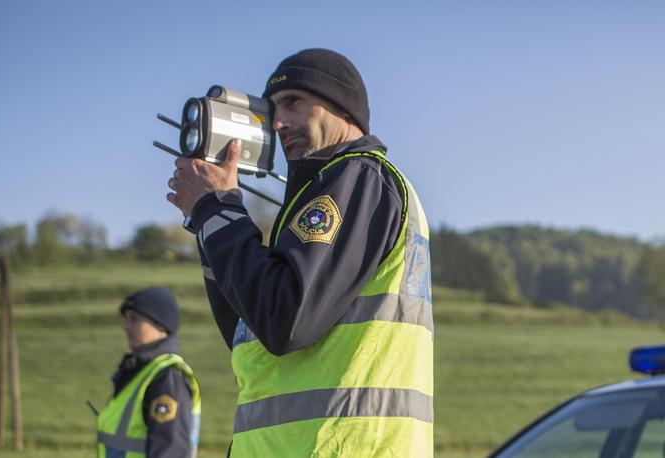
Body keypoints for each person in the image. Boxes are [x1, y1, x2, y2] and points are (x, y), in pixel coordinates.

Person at [167, 48, 433, 457]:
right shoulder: (325, 194)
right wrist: (211, 220)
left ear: (344, 110)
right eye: (272, 108)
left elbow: (285, 318)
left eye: (294, 102)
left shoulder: (358, 179)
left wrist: (216, 208)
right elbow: (248, 328)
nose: (278, 122)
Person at [97, 287, 201, 458]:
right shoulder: (141, 371)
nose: (126, 327)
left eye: (134, 319)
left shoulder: (167, 376)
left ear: (160, 324)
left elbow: (171, 452)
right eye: (126, 319)